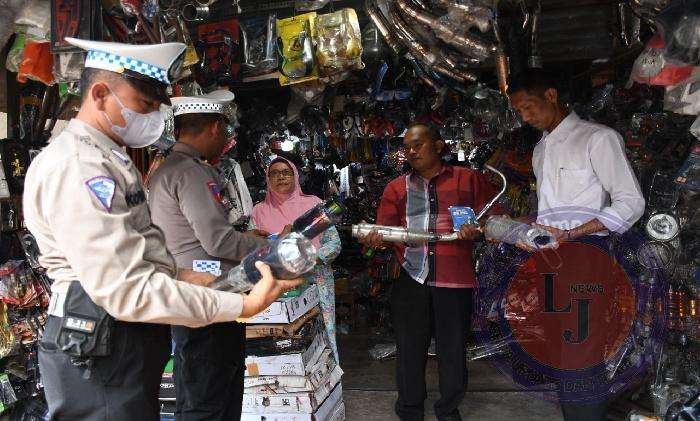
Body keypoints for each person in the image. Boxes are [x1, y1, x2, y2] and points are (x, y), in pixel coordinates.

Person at [22, 38, 301, 421]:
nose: (153, 117)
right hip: (97, 341)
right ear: (100, 94)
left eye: (156, 107)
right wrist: (242, 305)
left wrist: (182, 275)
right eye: (143, 105)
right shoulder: (80, 166)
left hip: (115, 339)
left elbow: (139, 248)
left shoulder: (108, 157)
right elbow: (126, 289)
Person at [509, 69, 645, 421]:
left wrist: (574, 232)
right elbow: (552, 211)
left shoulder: (597, 138)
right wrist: (522, 225)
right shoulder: (540, 150)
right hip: (549, 258)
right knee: (560, 347)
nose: (525, 116)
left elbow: (630, 203)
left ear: (551, 95)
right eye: (519, 111)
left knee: (580, 349)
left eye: (529, 106)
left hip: (585, 256)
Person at [358, 122, 499, 421]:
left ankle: (448, 409)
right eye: (407, 147)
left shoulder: (468, 179)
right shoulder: (396, 188)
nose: (411, 151)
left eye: (418, 144)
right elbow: (384, 231)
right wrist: (376, 239)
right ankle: (410, 410)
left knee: (453, 349)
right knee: (409, 347)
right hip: (412, 276)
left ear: (438, 145)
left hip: (454, 277)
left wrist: (478, 229)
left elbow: (495, 220)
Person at [146, 90, 268, 421]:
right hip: (208, 295)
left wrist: (246, 238)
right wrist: (268, 248)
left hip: (191, 294)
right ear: (215, 128)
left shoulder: (167, 170)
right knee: (210, 395)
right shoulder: (191, 172)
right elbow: (217, 241)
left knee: (200, 390)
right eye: (225, 130)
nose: (227, 138)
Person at [248, 157, 342, 360]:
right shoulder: (258, 211)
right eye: (274, 173)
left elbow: (334, 243)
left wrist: (308, 260)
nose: (280, 177)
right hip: (279, 288)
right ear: (268, 179)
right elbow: (253, 251)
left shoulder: (313, 204)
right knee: (284, 340)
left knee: (321, 337)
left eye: (286, 172)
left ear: (295, 176)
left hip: (317, 281)